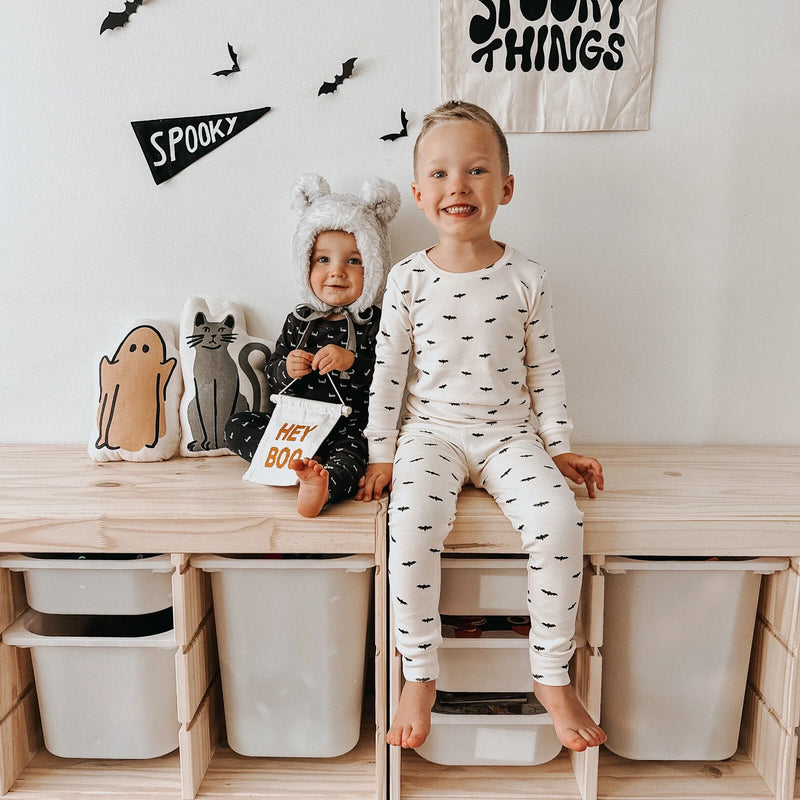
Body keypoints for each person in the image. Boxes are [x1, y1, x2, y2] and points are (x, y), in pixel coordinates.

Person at [356, 101, 606, 752]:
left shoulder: (527, 277)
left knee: (561, 521)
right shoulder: (408, 279)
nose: (457, 186)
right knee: (411, 524)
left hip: (510, 437)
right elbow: (388, 372)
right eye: (439, 174)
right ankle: (419, 672)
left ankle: (551, 675)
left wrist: (559, 447)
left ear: (506, 186)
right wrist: (381, 452)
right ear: (419, 193)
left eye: (475, 170)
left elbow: (545, 368)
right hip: (430, 436)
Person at [225, 173, 401, 517]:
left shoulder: (375, 323)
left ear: (374, 266)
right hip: (294, 425)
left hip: (346, 428)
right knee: (236, 425)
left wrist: (351, 361)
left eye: (354, 261)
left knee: (355, 457)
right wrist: (287, 367)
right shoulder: (299, 319)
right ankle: (303, 460)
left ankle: (322, 485)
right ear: (305, 262)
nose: (337, 272)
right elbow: (272, 375)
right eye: (323, 260)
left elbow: (388, 380)